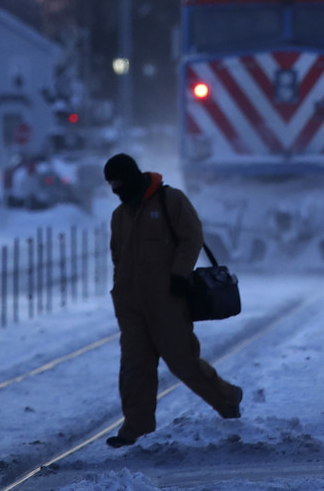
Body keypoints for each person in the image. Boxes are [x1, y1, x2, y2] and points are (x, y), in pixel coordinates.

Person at [102, 153, 243, 447]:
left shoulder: (170, 201)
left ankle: (228, 399)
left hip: (167, 300)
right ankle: (135, 429)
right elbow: (118, 256)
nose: (117, 193)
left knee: (183, 363)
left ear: (132, 178)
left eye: (120, 185)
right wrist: (120, 291)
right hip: (131, 305)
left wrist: (179, 275)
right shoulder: (120, 216)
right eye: (112, 187)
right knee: (134, 368)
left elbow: (192, 237)